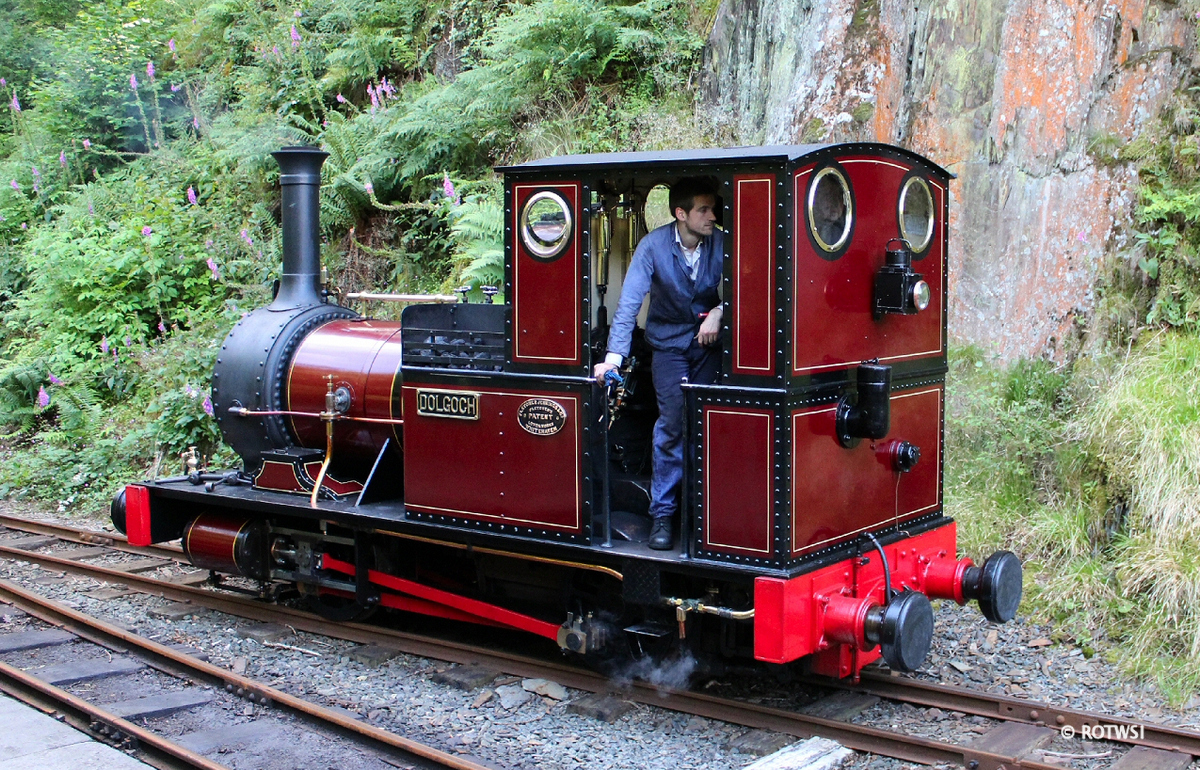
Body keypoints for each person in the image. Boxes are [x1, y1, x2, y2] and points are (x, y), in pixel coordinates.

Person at [593, 179, 723, 550]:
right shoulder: (652, 246)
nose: (712, 216)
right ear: (681, 214)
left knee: (708, 423)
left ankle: (703, 514)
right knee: (672, 423)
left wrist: (719, 310)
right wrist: (613, 358)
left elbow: (749, 285)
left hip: (709, 347)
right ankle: (663, 516)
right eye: (703, 209)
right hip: (667, 348)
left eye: (713, 209)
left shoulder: (723, 242)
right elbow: (629, 303)